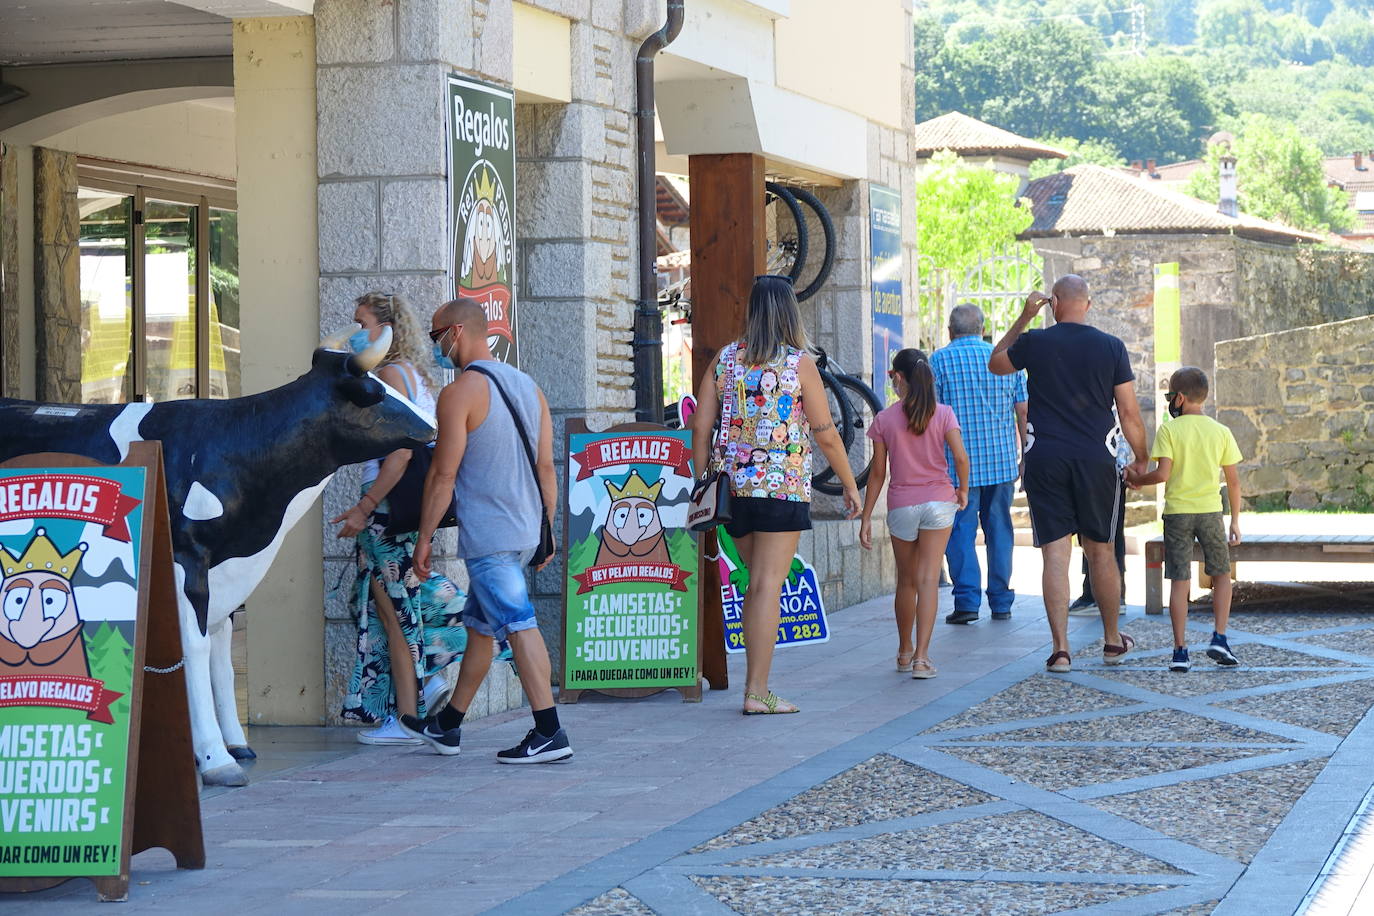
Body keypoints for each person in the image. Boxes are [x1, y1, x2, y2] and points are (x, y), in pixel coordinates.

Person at [402, 297, 569, 763]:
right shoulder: (528, 387)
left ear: (457, 332)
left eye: (437, 337)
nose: (435, 346)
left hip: (491, 537)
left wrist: (424, 537)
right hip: (523, 532)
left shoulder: (459, 394)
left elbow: (443, 474)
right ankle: (448, 725)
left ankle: (549, 731)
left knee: (518, 625)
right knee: (480, 627)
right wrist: (546, 530)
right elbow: (545, 468)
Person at [691, 274, 860, 715]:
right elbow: (825, 433)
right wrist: (848, 482)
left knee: (756, 587)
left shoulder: (724, 360)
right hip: (782, 490)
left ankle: (755, 687)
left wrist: (702, 479)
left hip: (732, 493)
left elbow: (700, 427)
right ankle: (757, 692)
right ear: (789, 311)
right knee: (767, 586)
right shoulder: (797, 364)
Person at [989, 275, 1148, 674]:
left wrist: (1025, 317)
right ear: (1088, 305)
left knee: (1055, 556)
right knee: (1101, 550)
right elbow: (1128, 412)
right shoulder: (1111, 347)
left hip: (1046, 458)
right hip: (1096, 459)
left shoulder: (1035, 342)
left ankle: (1060, 650)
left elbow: (996, 362)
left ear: (1054, 303)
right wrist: (1142, 458)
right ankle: (1112, 640)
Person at [330, 292, 467, 745]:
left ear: (384, 329)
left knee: (394, 612)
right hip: (402, 507)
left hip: (387, 508)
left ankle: (408, 716)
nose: (356, 333)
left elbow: (403, 450)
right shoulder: (412, 375)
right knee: (378, 602)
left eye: (362, 323)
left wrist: (366, 507)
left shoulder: (388, 375)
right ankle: (419, 689)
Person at [860, 348, 969, 679]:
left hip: (902, 505)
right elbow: (961, 458)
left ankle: (904, 651)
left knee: (906, 582)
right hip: (939, 502)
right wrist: (962, 490)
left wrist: (866, 518)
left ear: (901, 378)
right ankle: (923, 658)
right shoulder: (944, 414)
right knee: (928, 581)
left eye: (893, 376)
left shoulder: (885, 419)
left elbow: (877, 473)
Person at [1128, 367, 1243, 671]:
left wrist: (1138, 479)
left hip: (1178, 513)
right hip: (1210, 512)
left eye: (1170, 396)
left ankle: (1180, 651)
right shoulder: (1221, 431)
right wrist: (1234, 521)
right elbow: (1233, 481)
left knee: (1180, 580)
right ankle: (1219, 637)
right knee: (1221, 575)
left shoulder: (1169, 430)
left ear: (1179, 397)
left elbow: (1163, 474)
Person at [930, 304, 1026, 624]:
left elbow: (932, 418)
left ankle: (967, 602)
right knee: (1000, 531)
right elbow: (1023, 412)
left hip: (957, 469)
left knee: (960, 533)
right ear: (983, 329)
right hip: (1001, 463)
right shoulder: (1008, 360)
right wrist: (1026, 457)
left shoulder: (938, 361)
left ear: (949, 331)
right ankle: (1001, 602)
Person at [1068, 410, 1129, 616]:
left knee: (1096, 536)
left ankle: (1097, 596)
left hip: (1099, 464)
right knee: (1109, 534)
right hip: (1113, 464)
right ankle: (1106, 593)